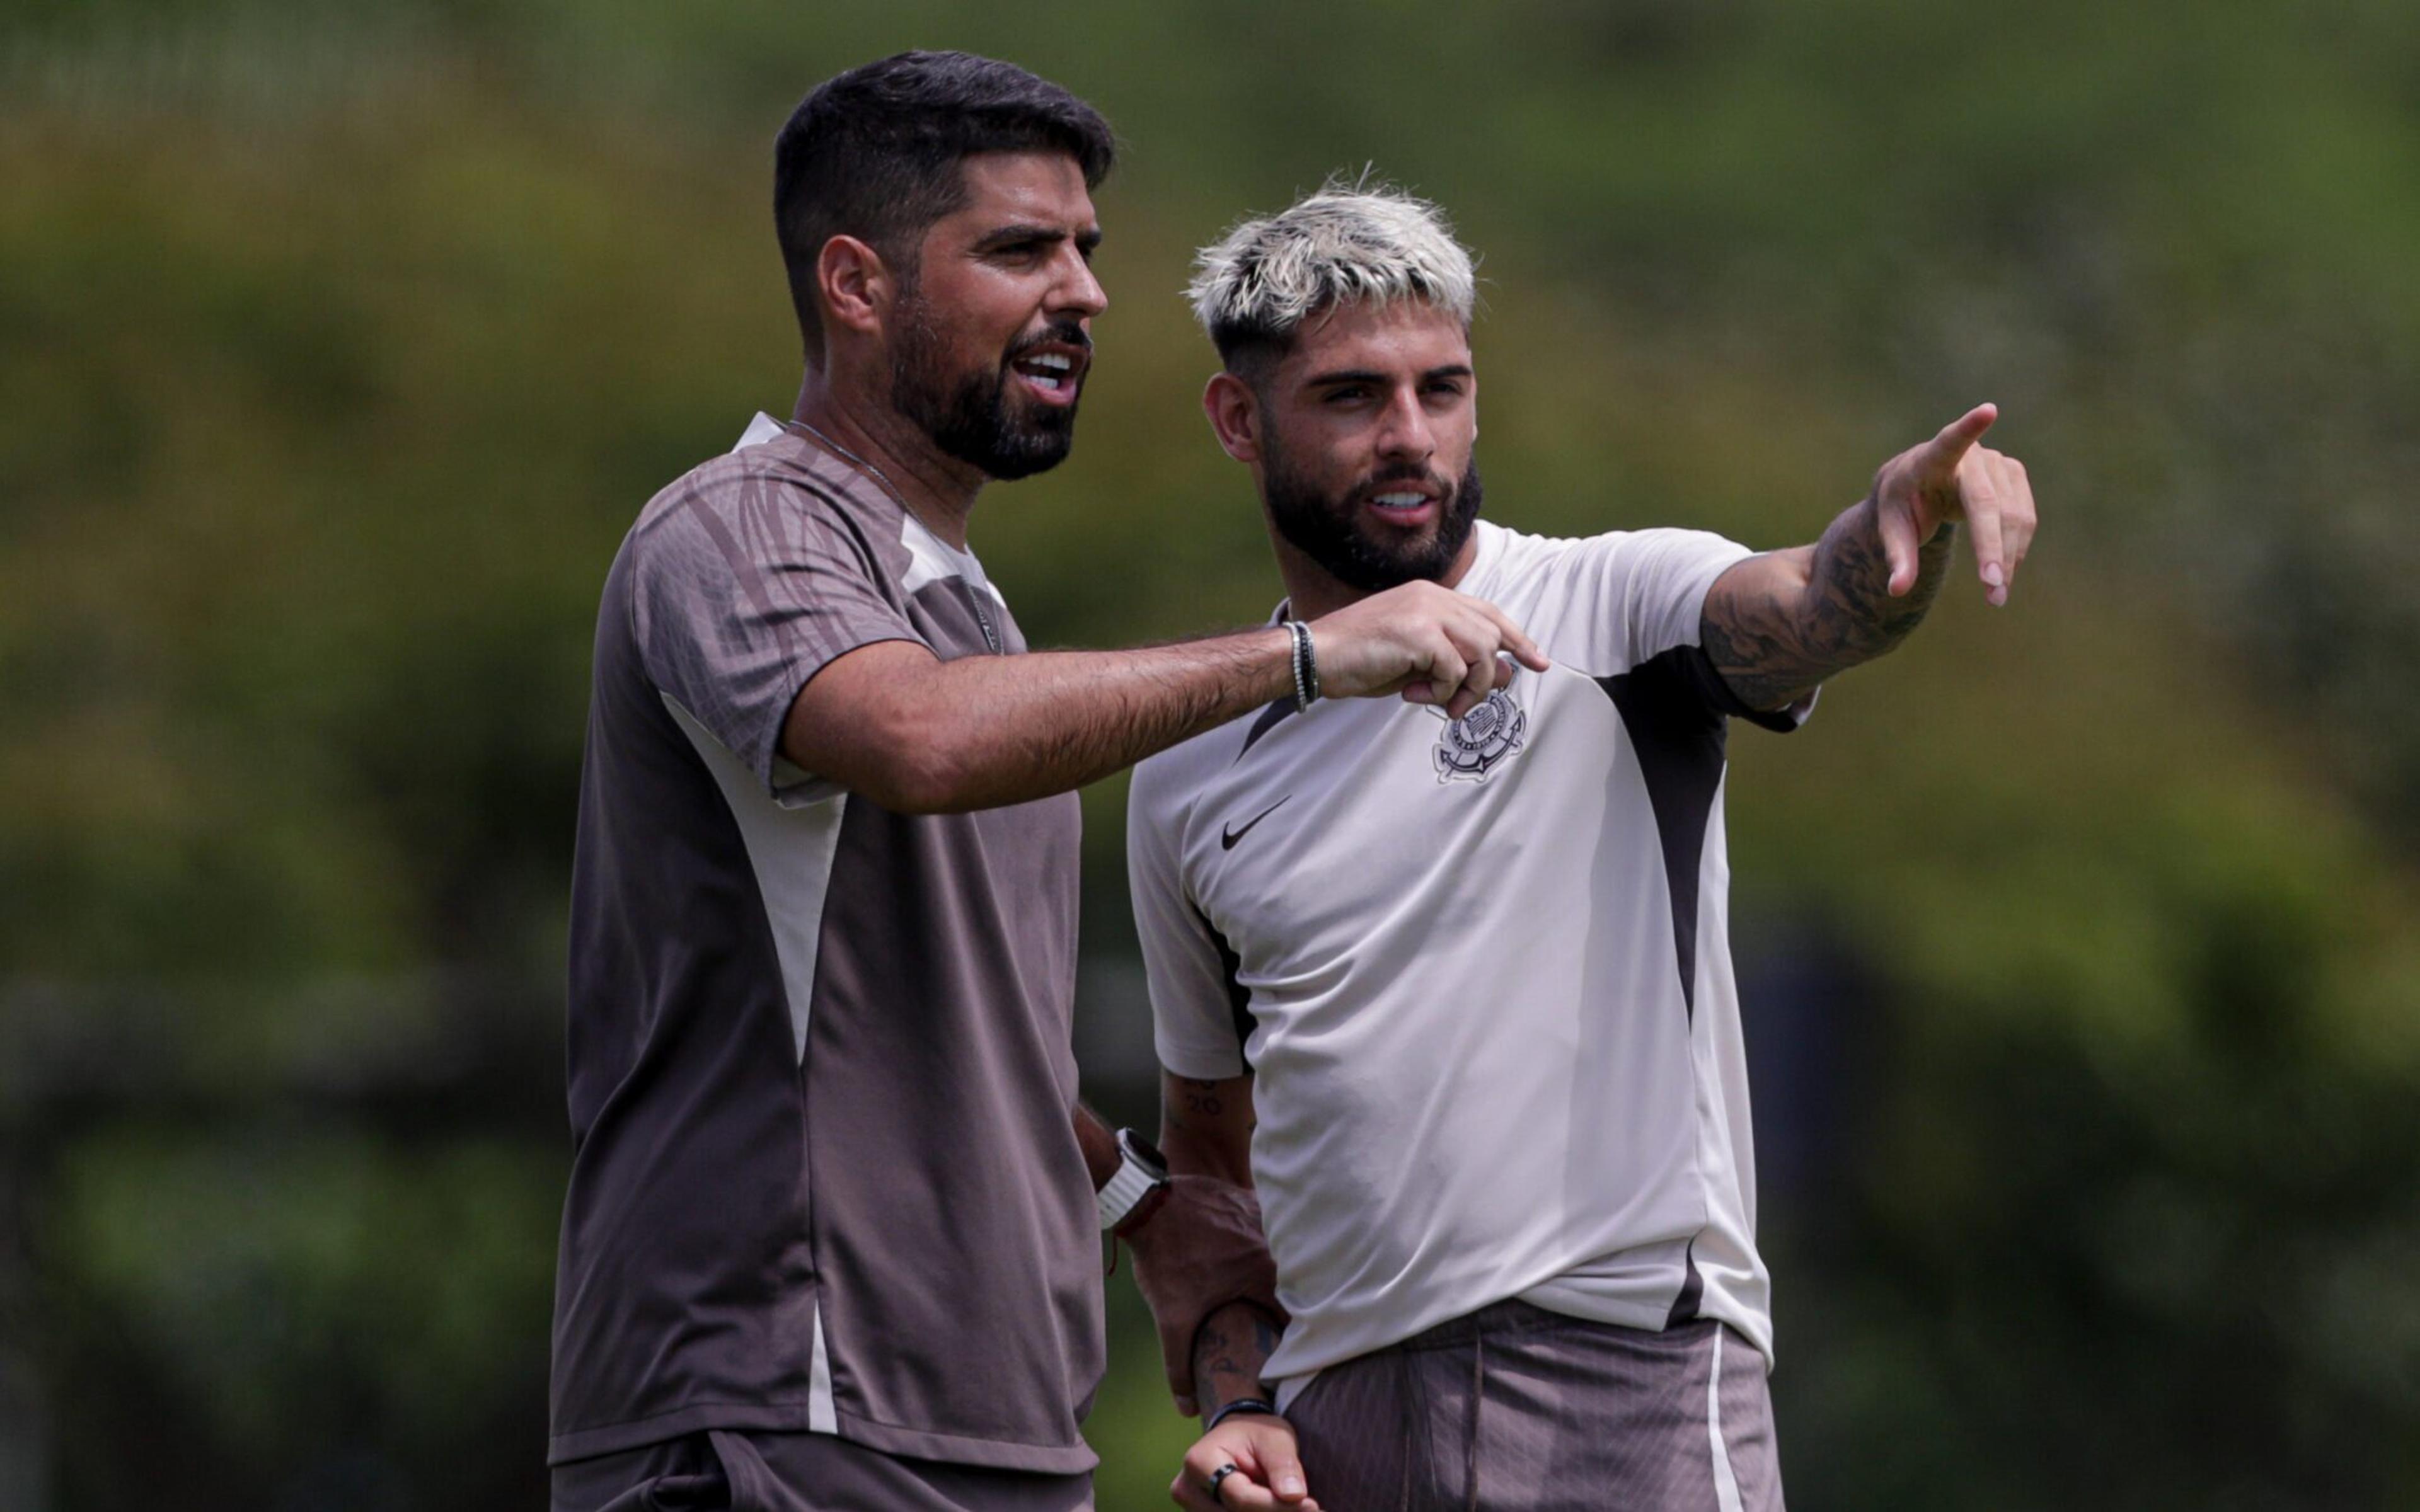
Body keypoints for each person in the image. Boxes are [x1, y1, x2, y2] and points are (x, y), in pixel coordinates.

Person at [550, 58, 1547, 1512]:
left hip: (983, 1426)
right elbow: (922, 742)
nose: (1080, 293)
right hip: (781, 1409)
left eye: (1089, 251)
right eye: (1021, 249)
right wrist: (1309, 657)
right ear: (856, 283)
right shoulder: (741, 527)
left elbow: (949, 1027)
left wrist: (1142, 1207)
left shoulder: (966, 608)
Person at [1124, 182, 2039, 1511]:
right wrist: (1240, 1400)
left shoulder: (1612, 606)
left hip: (1626, 1381)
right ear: (1236, 419)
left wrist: (1904, 518)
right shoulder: (1190, 765)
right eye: (1351, 398)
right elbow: (1210, 1162)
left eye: (1443, 389)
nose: (1410, 438)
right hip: (1338, 1429)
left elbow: (1806, 607)